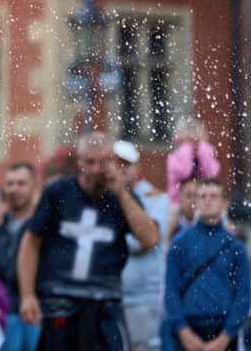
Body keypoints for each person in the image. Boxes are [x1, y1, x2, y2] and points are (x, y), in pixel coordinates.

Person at [17, 131, 159, 351]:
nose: (96, 169)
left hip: (104, 309)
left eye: (103, 162)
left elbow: (150, 240)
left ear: (113, 161)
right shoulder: (58, 192)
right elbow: (31, 243)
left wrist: (121, 193)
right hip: (60, 306)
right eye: (90, 162)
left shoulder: (122, 198)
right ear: (80, 162)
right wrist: (27, 295)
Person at [163, 178, 250, 351]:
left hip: (222, 327)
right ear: (196, 201)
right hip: (188, 327)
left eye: (213, 196)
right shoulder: (180, 242)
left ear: (225, 203)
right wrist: (183, 331)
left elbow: (243, 294)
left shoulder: (235, 246)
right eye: (202, 196)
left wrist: (226, 336)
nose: (208, 200)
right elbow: (171, 290)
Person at [115, 140, 170, 351]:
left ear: (136, 167)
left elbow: (145, 241)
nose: (121, 171)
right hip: (111, 292)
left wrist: (113, 240)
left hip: (142, 294)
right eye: (116, 164)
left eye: (125, 165)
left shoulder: (156, 199)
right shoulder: (105, 198)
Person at [0, 162, 40, 351]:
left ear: (34, 185)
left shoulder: (43, 224)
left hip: (35, 313)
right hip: (1, 314)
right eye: (10, 184)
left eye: (21, 183)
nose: (14, 189)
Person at [166, 117, 220, 206]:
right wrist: (187, 148)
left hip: (204, 203)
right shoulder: (174, 158)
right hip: (178, 203)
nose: (193, 143)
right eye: (189, 140)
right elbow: (184, 173)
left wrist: (202, 149)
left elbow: (211, 174)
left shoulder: (206, 153)